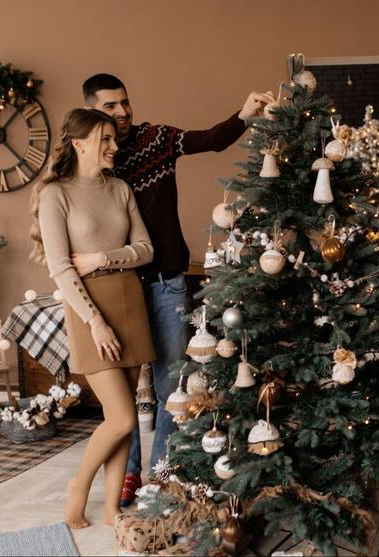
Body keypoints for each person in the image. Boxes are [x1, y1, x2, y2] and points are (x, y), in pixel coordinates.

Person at [81, 73, 273, 506]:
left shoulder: (157, 139)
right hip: (120, 288)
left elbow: (209, 140)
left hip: (167, 283)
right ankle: (127, 477)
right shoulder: (94, 166)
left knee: (172, 385)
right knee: (123, 396)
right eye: (110, 106)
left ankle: (163, 473)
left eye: (125, 103)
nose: (123, 112)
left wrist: (243, 115)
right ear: (93, 110)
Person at [29, 108, 156, 529]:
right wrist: (94, 321)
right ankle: (78, 486)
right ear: (80, 142)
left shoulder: (120, 188)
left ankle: (111, 509)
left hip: (130, 301)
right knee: (120, 416)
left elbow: (145, 249)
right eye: (104, 139)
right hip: (89, 309)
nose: (113, 146)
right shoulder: (55, 194)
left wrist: (104, 256)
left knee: (123, 422)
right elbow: (61, 267)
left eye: (113, 139)